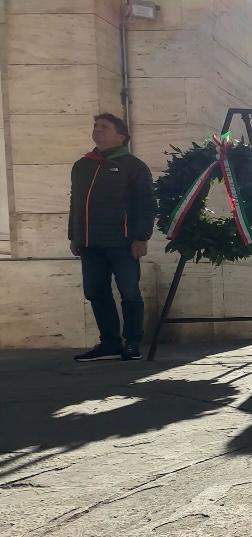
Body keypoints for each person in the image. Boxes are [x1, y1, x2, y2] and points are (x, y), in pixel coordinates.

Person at [69, 113, 156, 362]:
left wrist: (142, 237)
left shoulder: (134, 166)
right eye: (95, 126)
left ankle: (132, 343)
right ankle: (109, 343)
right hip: (89, 243)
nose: (97, 130)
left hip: (124, 243)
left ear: (121, 135)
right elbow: (75, 202)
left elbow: (146, 204)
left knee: (129, 292)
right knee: (95, 291)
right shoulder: (81, 165)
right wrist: (74, 236)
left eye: (104, 127)